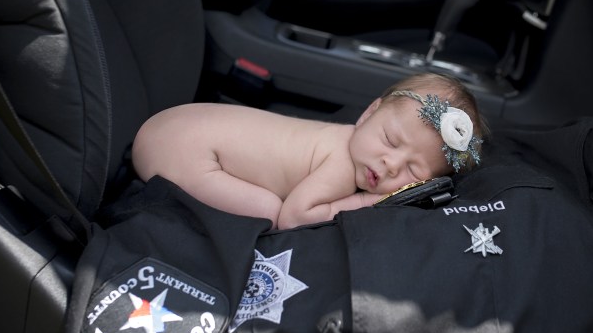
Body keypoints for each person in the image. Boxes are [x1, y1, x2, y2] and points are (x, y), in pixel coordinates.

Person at [131, 73, 488, 230]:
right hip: (179, 150)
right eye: (391, 142)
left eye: (414, 172)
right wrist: (366, 203)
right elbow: (295, 218)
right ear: (368, 113)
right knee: (271, 213)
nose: (391, 165)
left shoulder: (347, 138)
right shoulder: (339, 165)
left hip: (174, 123)